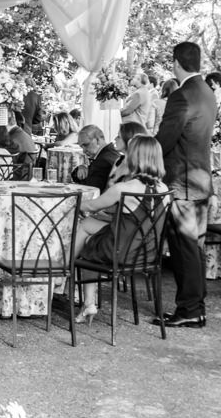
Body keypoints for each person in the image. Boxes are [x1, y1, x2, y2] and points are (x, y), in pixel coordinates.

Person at [72, 135, 170, 323]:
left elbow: (92, 206)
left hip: (121, 252)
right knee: (89, 228)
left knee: (88, 240)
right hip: (147, 253)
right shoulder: (164, 188)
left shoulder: (124, 188)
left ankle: (67, 274)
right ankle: (87, 301)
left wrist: (74, 202)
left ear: (134, 158)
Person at [154, 41, 215, 328]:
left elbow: (165, 139)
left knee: (185, 248)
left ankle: (190, 309)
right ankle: (195, 307)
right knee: (194, 248)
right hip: (201, 181)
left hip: (183, 184)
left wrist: (143, 155)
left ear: (176, 62)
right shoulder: (207, 92)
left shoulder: (182, 96)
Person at [72, 125, 121, 192]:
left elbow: (91, 190)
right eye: (81, 146)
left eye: (86, 145)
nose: (84, 151)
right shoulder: (112, 152)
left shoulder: (102, 162)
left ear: (98, 140)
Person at [106, 121, 147, 187]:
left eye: (119, 137)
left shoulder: (139, 166)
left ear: (129, 140)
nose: (115, 139)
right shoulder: (119, 160)